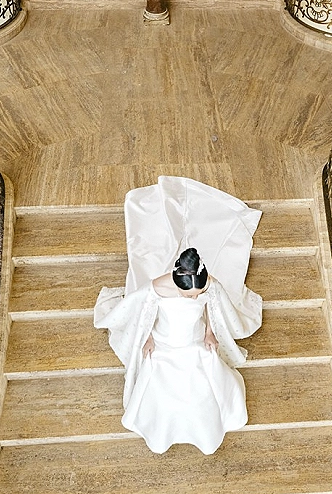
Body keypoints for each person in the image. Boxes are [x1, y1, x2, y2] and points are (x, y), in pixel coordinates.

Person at [94, 176, 262, 455]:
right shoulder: (158, 287)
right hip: (164, 341)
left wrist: (209, 332)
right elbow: (144, 313)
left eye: (196, 293)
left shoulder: (207, 284)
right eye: (188, 294)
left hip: (194, 340)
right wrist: (148, 338)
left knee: (203, 382)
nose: (193, 297)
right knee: (163, 385)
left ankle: (208, 427)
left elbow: (210, 307)